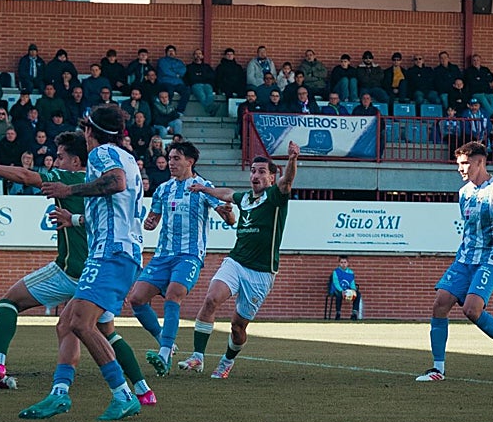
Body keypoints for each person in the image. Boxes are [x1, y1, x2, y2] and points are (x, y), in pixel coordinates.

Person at [0, 132, 158, 411]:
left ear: (75, 161)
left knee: (10, 302)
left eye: (61, 157)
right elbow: (101, 218)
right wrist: (74, 219)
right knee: (101, 331)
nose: (55, 161)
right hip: (107, 267)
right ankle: (141, 389)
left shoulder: (70, 179)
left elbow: (26, 177)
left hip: (76, 270)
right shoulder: (95, 186)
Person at [27, 105, 146, 421]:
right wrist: (76, 218)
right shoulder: (127, 157)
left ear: (91, 132)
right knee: (68, 323)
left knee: (81, 323)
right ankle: (59, 393)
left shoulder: (102, 154)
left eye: (86, 130)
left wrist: (69, 190)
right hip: (116, 251)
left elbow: (115, 183)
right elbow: (114, 208)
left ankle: (123, 394)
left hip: (111, 253)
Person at [177, 142, 300, 378]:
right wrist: (203, 189)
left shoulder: (275, 197)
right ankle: (197, 357)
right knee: (212, 298)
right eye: (253, 170)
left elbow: (288, 182)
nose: (255, 175)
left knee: (238, 326)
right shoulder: (245, 199)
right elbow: (227, 194)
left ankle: (227, 360)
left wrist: (292, 160)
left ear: (272, 178)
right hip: (236, 262)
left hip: (261, 272)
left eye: (262, 171)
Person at [127, 140, 235, 376]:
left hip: (189, 255)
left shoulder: (203, 187)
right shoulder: (163, 189)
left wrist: (227, 214)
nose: (171, 163)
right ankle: (165, 341)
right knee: (136, 299)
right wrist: (150, 223)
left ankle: (164, 355)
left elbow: (229, 219)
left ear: (190, 161)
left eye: (176, 158)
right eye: (170, 158)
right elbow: (154, 218)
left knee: (174, 294)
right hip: (163, 255)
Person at [417, 141, 493, 382]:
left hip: (489, 259)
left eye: (465, 163)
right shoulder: (464, 193)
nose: (460, 168)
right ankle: (438, 369)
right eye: (458, 164)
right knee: (440, 303)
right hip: (464, 259)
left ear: (480, 162)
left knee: (471, 310)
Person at [329, 256, 360, 321]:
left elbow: (352, 282)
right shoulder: (336, 272)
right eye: (341, 262)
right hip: (337, 289)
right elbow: (336, 283)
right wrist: (341, 290)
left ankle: (354, 313)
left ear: (347, 263)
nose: (343, 264)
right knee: (338, 295)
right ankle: (338, 313)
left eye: (345, 262)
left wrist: (353, 289)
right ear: (339, 263)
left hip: (347, 290)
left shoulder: (350, 272)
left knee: (358, 294)